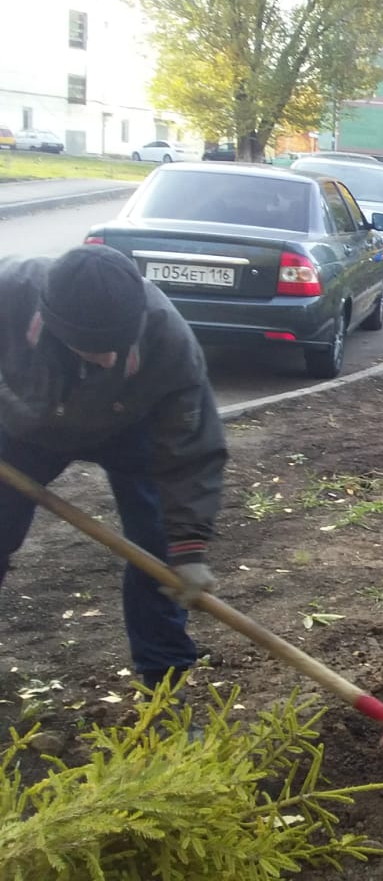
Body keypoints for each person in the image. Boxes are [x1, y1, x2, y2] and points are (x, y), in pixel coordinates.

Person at [0, 246, 227, 689]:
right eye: (93, 349)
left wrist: (189, 547)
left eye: (117, 347)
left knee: (159, 553)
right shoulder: (10, 292)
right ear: (52, 326)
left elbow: (190, 451)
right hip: (22, 422)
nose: (108, 360)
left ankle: (164, 685)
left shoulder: (169, 341)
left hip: (132, 427)